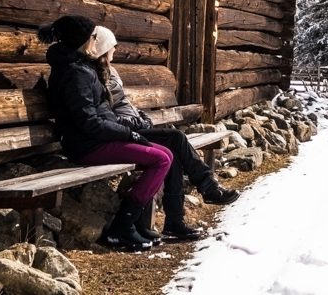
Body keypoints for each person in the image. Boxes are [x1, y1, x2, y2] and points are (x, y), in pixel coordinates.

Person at [39, 14, 170, 251]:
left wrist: (128, 128)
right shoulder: (74, 72)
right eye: (92, 36)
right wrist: (128, 134)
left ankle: (134, 224)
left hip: (94, 140)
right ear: (83, 41)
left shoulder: (80, 67)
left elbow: (99, 115)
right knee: (160, 159)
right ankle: (122, 227)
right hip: (87, 146)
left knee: (165, 154)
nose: (94, 40)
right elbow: (89, 122)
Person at [98, 28, 239, 243]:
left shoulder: (111, 71)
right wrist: (133, 121)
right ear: (102, 48)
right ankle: (206, 189)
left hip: (134, 125)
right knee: (176, 138)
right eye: (112, 46)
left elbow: (124, 103)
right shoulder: (96, 75)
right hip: (123, 132)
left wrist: (140, 116)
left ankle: (176, 222)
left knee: (174, 143)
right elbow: (106, 114)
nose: (115, 49)